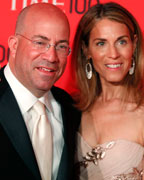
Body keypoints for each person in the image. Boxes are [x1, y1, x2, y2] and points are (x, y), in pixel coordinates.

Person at [0, 3, 80, 180]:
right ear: (14, 45)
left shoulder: (71, 107)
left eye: (60, 46)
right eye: (40, 42)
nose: (51, 57)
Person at [72, 2, 144, 179]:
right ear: (86, 49)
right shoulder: (70, 110)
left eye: (121, 41)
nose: (113, 54)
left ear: (134, 45)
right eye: (101, 43)